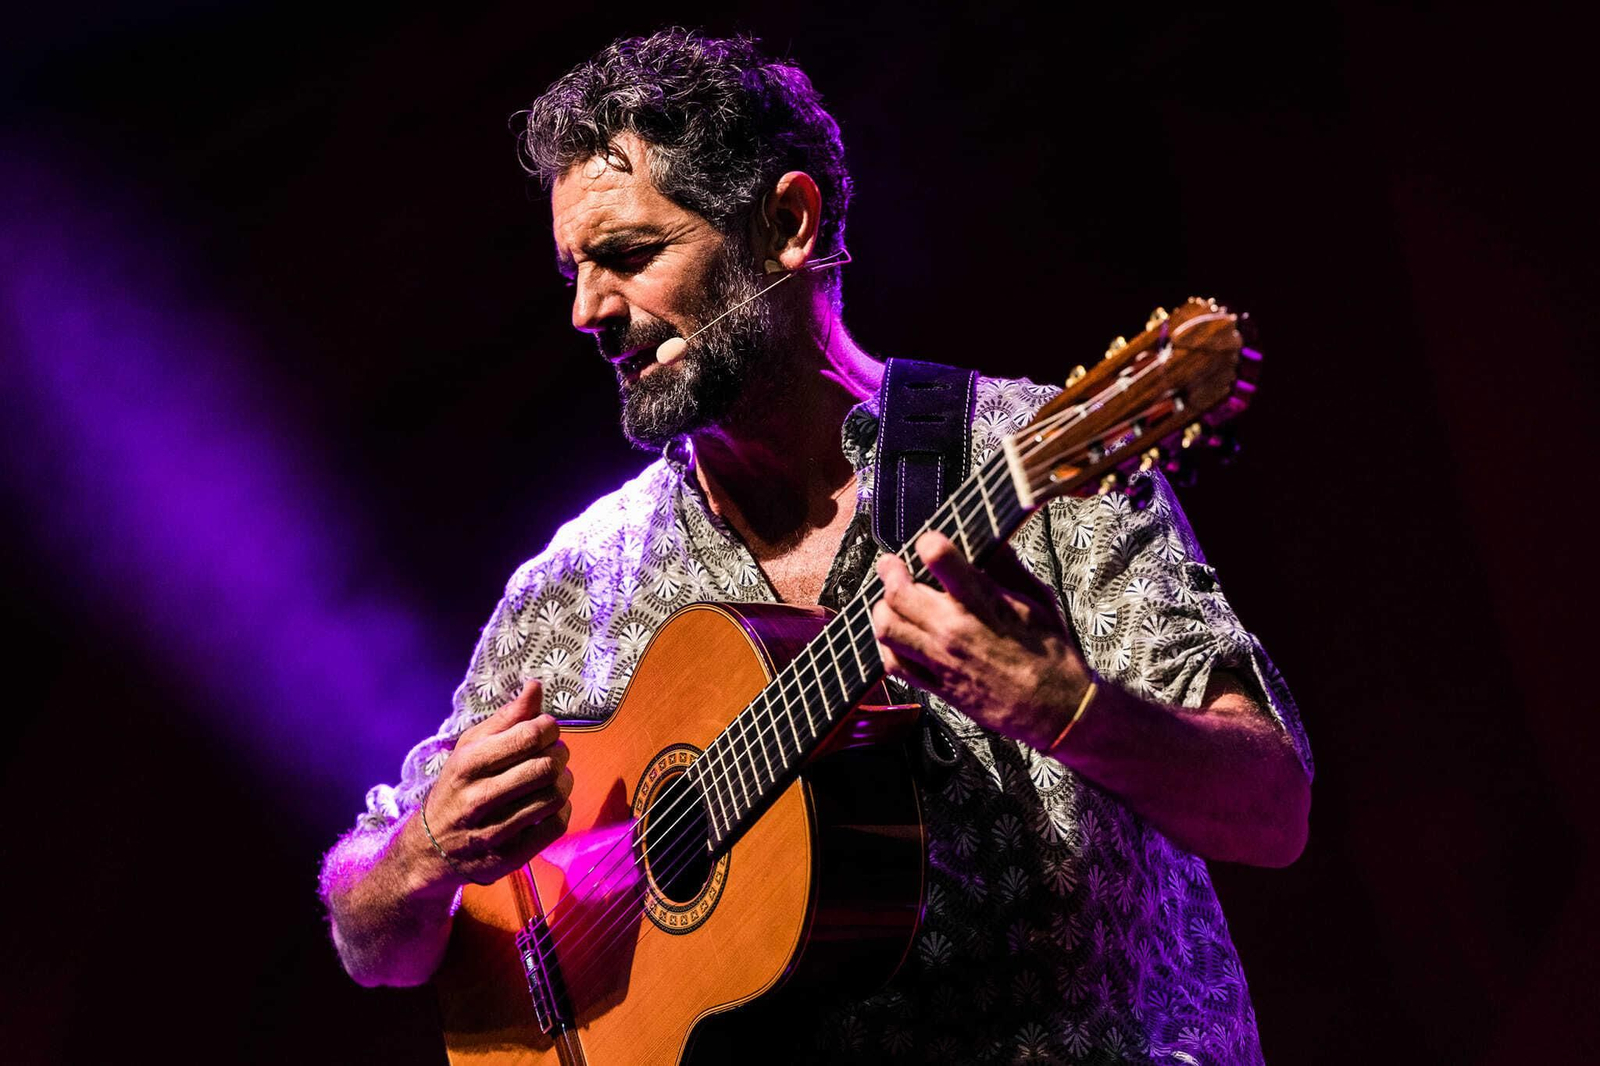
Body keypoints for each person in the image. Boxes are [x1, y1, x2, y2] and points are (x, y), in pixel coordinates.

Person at [319, 28, 1312, 1065]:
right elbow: (371, 939)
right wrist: (423, 850)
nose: (586, 312)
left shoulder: (1028, 463)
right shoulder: (573, 591)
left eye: (630, 256)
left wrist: (1066, 707)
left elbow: (1270, 811)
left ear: (786, 225)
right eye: (575, 270)